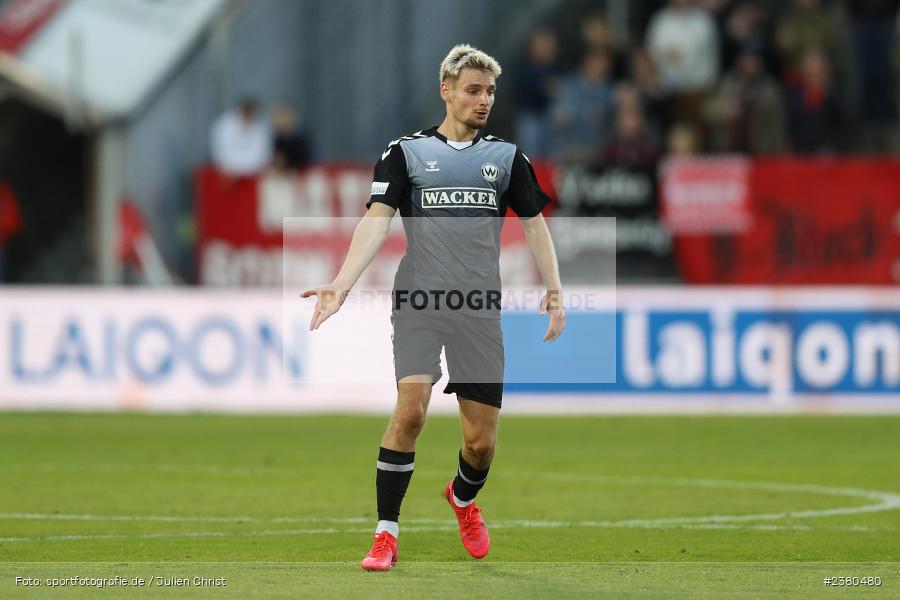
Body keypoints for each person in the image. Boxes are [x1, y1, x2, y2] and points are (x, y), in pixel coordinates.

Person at [301, 44, 566, 571]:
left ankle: (462, 500)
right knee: (411, 410)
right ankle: (385, 534)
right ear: (445, 90)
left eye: (489, 91)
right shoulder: (406, 153)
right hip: (419, 299)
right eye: (472, 90)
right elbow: (376, 219)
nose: (483, 100)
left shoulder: (507, 158)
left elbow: (534, 224)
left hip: (478, 308)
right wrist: (342, 282)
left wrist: (554, 288)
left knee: (481, 443)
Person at [209, 97, 272, 178]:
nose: (248, 116)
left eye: (251, 113)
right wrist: (230, 168)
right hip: (228, 171)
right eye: (246, 112)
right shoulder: (224, 125)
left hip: (255, 172)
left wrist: (249, 169)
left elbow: (264, 153)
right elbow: (219, 150)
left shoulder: (263, 126)